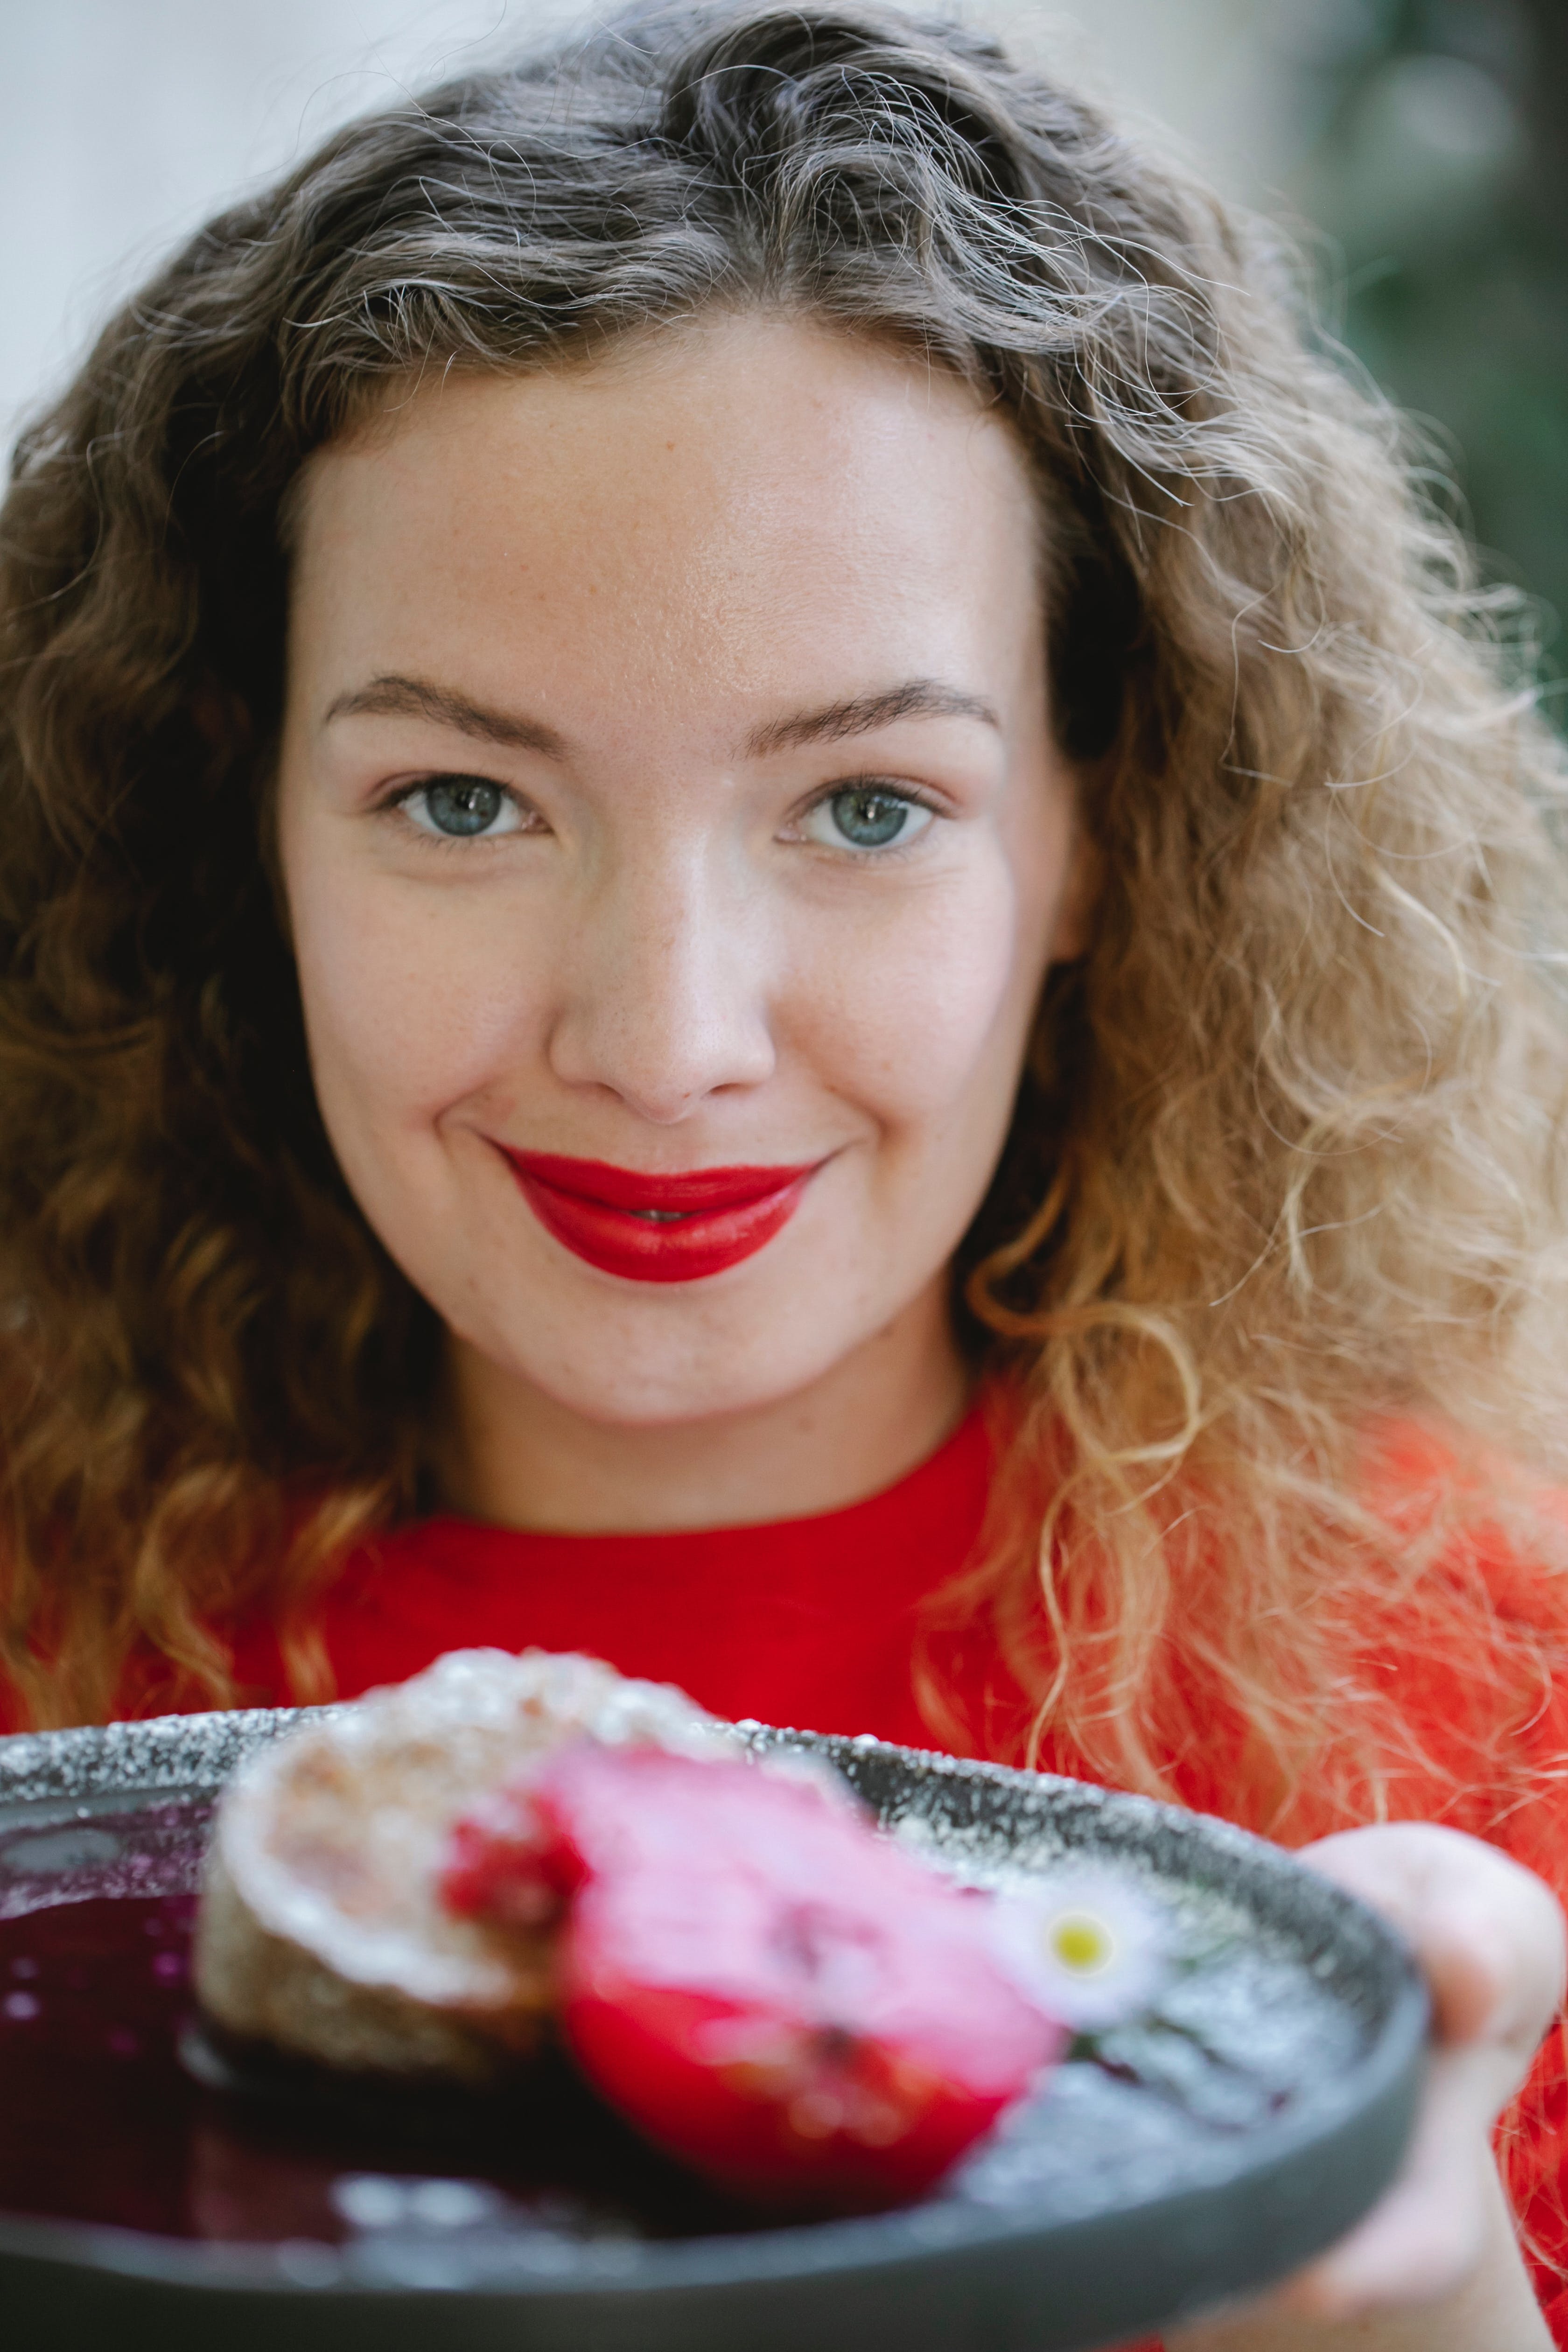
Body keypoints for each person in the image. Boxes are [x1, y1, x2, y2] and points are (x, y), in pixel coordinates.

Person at [1, 3, 1566, 2341]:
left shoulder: (1494, 1722)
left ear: (1096, 833)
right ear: (245, 822)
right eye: (462, 800)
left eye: (865, 808)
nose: (664, 1043)